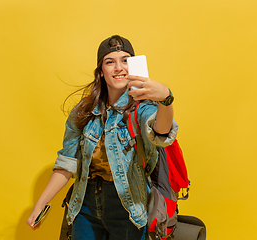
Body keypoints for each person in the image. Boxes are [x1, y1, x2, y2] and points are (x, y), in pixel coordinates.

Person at [26, 35, 178, 240]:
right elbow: (67, 162)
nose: (119, 68)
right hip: (85, 204)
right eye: (110, 62)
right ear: (101, 72)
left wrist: (166, 99)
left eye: (125, 60)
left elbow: (161, 133)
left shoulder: (142, 108)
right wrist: (41, 204)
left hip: (129, 206)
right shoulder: (83, 111)